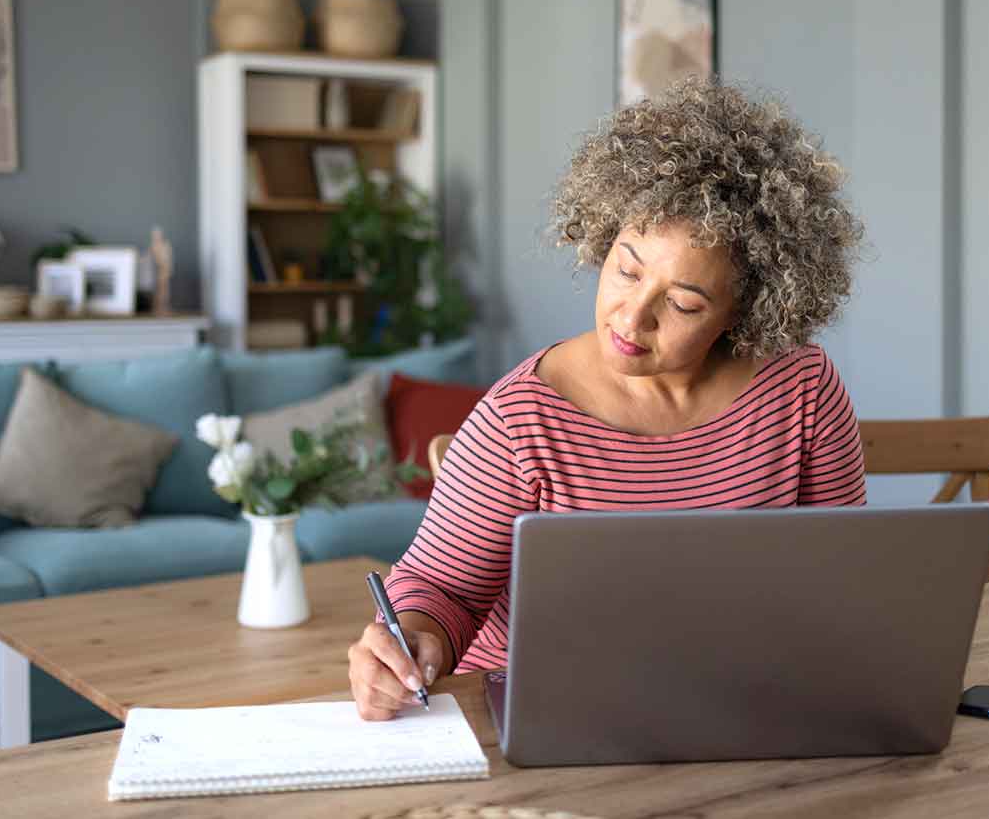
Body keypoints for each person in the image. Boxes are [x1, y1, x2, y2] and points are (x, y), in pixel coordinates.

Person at [348, 76, 867, 720]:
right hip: (552, 717)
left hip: (737, 704)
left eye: (682, 303)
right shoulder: (520, 418)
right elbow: (441, 589)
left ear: (744, 312)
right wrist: (411, 643)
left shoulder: (801, 389)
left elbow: (839, 576)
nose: (632, 316)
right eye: (626, 268)